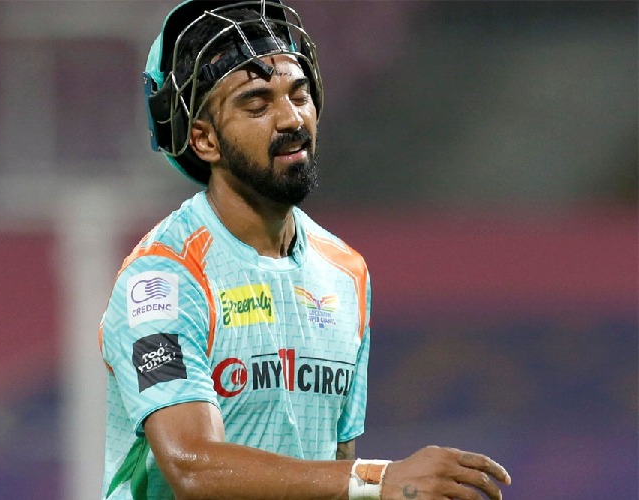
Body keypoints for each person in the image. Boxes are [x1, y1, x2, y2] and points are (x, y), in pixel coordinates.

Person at [99, 1, 511, 499]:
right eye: (257, 105)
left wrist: (390, 490)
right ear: (205, 140)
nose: (291, 118)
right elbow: (192, 467)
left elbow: (337, 474)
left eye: (299, 95)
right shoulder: (162, 281)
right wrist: (379, 478)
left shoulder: (345, 272)